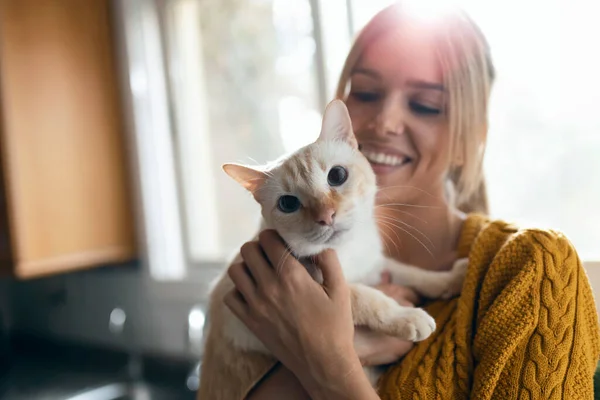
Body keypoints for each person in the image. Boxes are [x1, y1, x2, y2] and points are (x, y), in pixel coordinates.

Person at [219, 2, 600, 399]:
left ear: (471, 139)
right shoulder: (272, 274)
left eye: (426, 105)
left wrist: (332, 364)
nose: (384, 122)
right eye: (365, 93)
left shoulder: (535, 267)